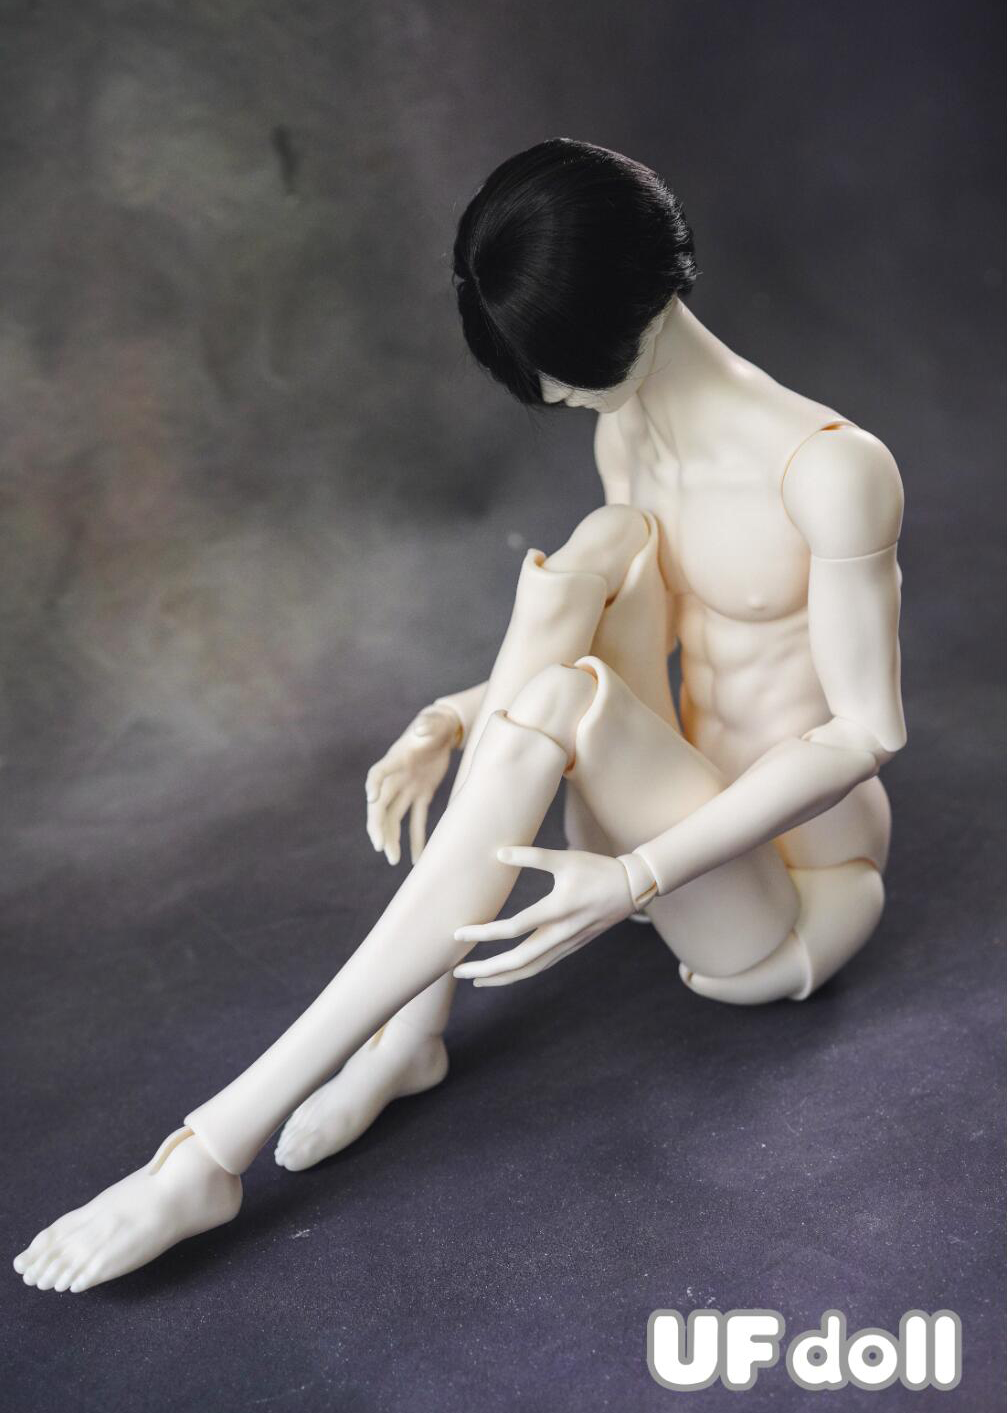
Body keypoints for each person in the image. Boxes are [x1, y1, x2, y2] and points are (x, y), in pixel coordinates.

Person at [14, 139, 905, 1294]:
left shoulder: (831, 471)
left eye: (562, 367)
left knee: (569, 681)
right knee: (600, 550)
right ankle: (406, 1037)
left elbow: (867, 734)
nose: (555, 397)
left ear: (630, 312)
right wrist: (456, 712)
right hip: (656, 812)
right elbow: (614, 633)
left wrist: (633, 879)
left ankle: (211, 1150)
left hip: (784, 903)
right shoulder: (626, 429)